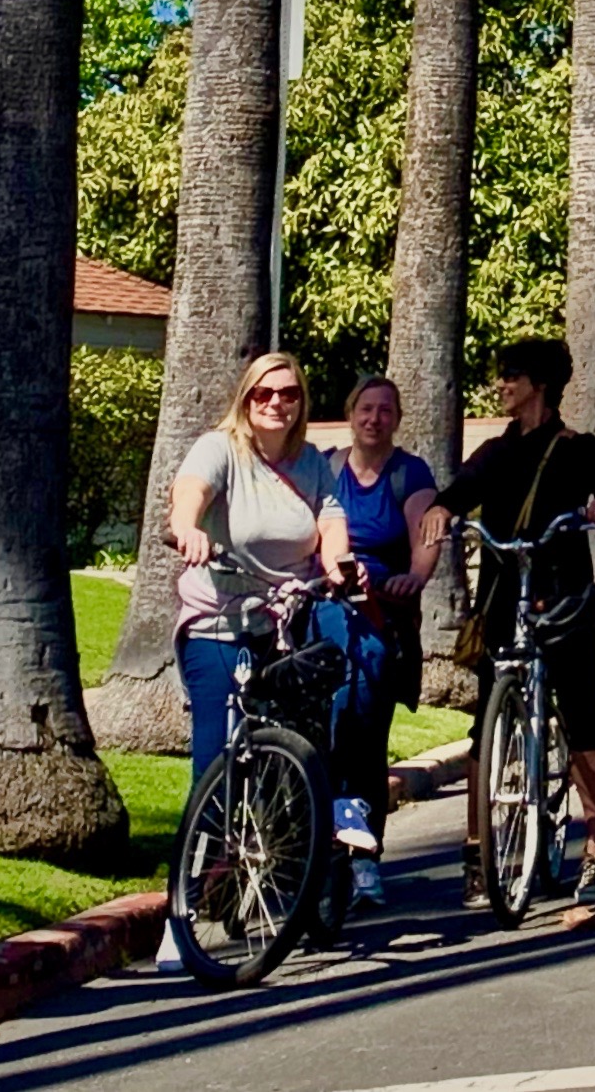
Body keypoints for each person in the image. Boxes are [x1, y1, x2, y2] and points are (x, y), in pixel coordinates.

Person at [164, 352, 384, 861]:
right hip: (221, 621)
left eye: (289, 394)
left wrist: (339, 565)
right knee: (216, 764)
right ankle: (197, 886)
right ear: (246, 399)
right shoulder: (220, 449)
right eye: (263, 393)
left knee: (362, 660)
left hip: (291, 615)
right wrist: (188, 528)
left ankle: (341, 803)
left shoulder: (311, 462)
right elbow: (190, 491)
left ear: (301, 403)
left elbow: (330, 522)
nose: (276, 403)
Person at [433, 335, 595, 908]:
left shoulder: (579, 449)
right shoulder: (495, 452)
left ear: (539, 384)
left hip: (564, 601)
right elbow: (458, 493)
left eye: (511, 375)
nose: (501, 384)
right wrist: (441, 509)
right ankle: (477, 852)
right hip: (502, 601)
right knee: (483, 726)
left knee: (582, 716)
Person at [327, 376, 442, 907]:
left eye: (385, 411)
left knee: (366, 732)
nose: (374, 419)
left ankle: (365, 856)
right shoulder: (326, 468)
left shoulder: (408, 473)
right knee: (318, 728)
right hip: (325, 603)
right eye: (366, 409)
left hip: (381, 614)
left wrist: (414, 577)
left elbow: (425, 534)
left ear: (396, 419)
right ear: (351, 414)